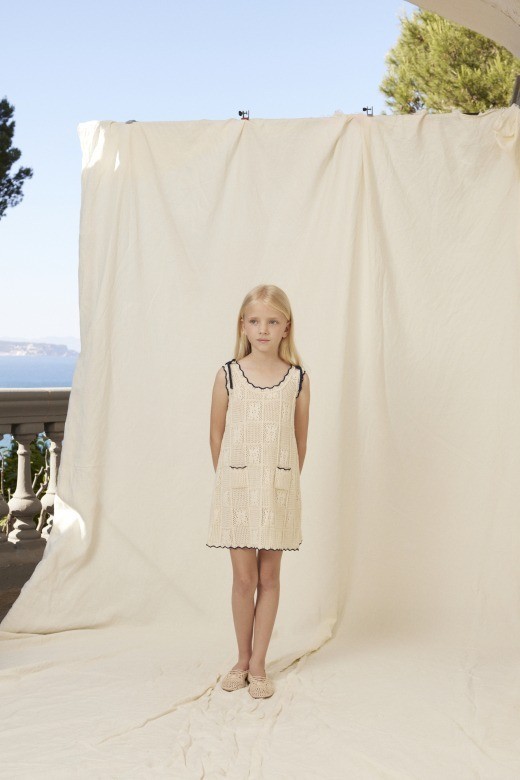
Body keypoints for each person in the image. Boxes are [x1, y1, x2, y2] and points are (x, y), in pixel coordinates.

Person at [207, 284, 310, 699]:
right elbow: (216, 434)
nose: (263, 329)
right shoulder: (228, 374)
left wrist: (283, 486)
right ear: (243, 326)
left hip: (277, 491)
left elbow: (300, 441)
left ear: (286, 327)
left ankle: (258, 664)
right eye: (255, 321)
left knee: (269, 578)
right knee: (243, 578)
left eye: (272, 321)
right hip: (237, 491)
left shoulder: (297, 379)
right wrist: (230, 483)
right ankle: (241, 658)